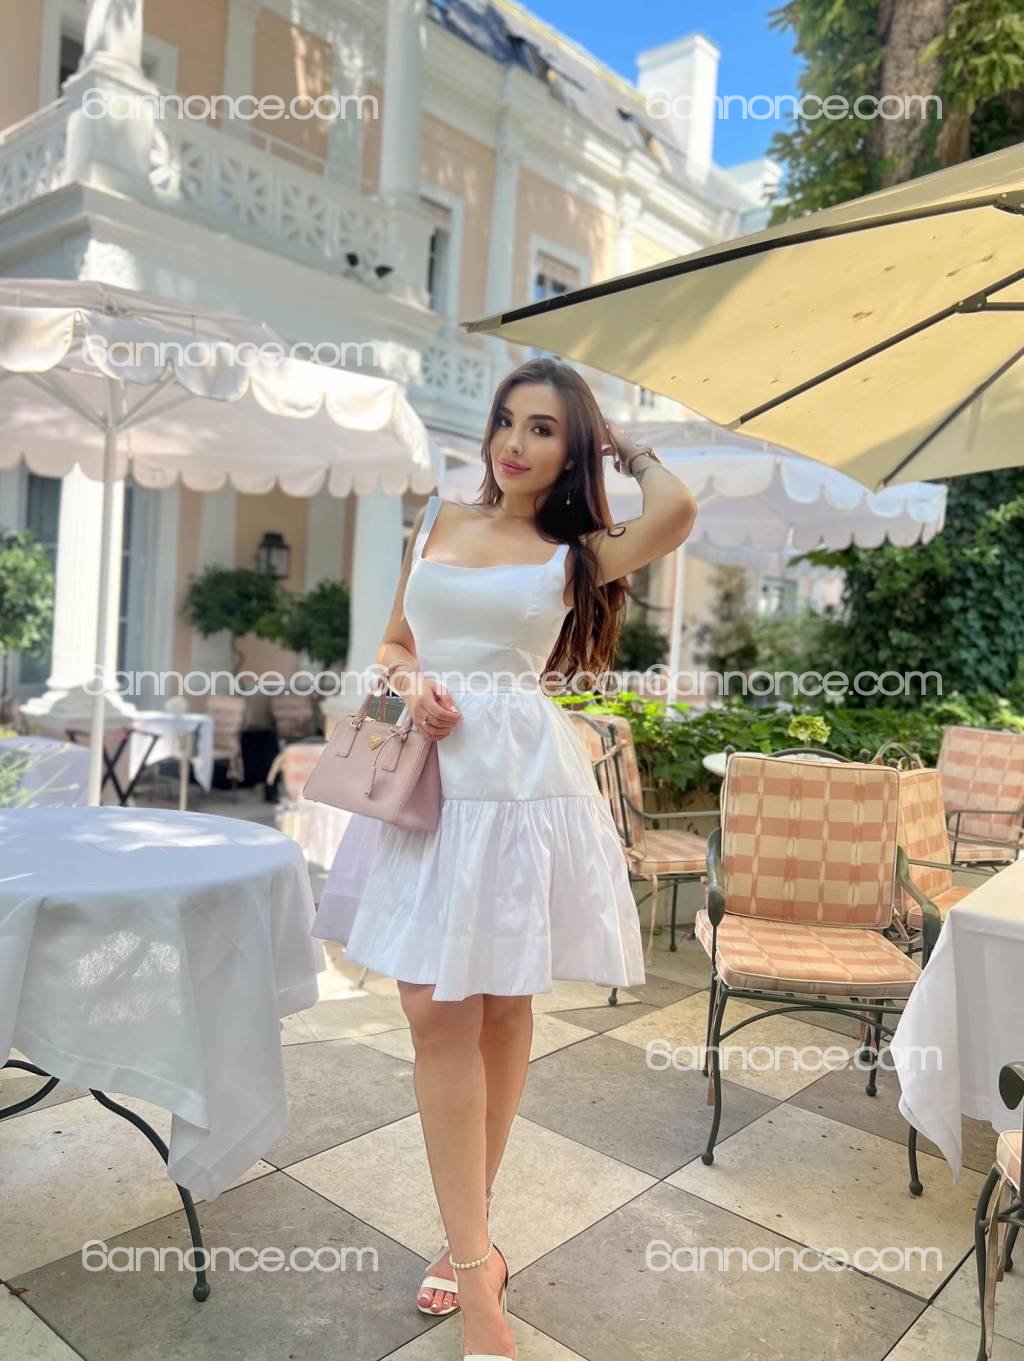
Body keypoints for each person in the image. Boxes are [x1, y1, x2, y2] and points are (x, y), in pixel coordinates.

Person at [312, 357, 697, 1360]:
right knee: (432, 1009)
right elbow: (394, 644)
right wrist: (413, 684)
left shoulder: (575, 550)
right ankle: (480, 1264)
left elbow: (677, 510)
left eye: (543, 428)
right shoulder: (436, 520)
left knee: (499, 1005)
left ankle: (467, 1238)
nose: (515, 444)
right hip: (428, 776)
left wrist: (624, 444)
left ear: (573, 450)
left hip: (520, 781)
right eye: (506, 422)